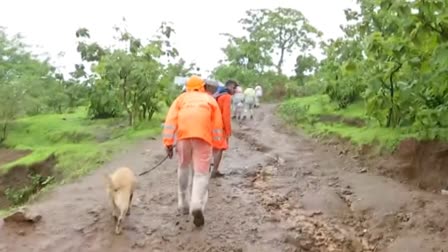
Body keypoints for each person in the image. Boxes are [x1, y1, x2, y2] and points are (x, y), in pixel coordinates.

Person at [162, 75, 224, 227]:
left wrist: (168, 143)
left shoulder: (180, 99)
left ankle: (183, 202)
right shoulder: (210, 100)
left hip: (183, 138)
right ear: (202, 87)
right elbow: (217, 126)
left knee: (183, 167)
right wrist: (217, 145)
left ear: (187, 87)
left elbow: (170, 122)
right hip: (203, 139)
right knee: (201, 174)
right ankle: (196, 204)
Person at [211, 79, 237, 178]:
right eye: (234, 88)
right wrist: (228, 130)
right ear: (229, 86)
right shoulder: (226, 97)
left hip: (210, 124)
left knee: (212, 147)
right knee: (219, 148)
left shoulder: (216, 95)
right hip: (219, 126)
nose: (234, 90)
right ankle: (214, 170)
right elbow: (226, 115)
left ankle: (208, 168)